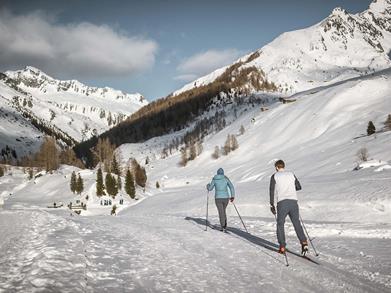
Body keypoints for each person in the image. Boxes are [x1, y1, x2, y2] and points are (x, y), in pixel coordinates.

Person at [269, 160, 308, 255]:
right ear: (283, 166)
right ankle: (304, 242)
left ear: (277, 167)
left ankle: (282, 246)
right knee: (296, 223)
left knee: (280, 224)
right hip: (293, 202)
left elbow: (272, 190)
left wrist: (271, 204)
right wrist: (290, 188)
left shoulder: (274, 176)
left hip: (282, 203)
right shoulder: (291, 174)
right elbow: (299, 187)